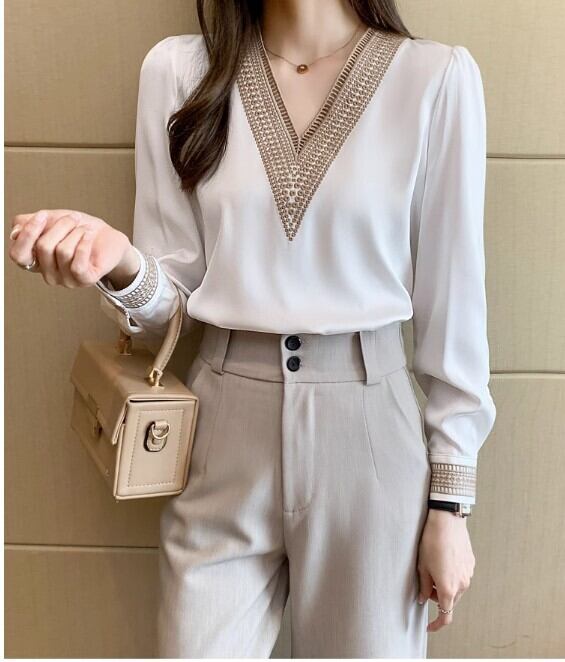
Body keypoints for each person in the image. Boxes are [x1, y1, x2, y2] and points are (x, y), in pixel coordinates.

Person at [9, 0, 497, 657]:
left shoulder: (434, 79)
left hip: (370, 438)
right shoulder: (180, 72)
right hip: (221, 425)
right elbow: (171, 307)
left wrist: (449, 506)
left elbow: (454, 305)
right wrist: (120, 263)